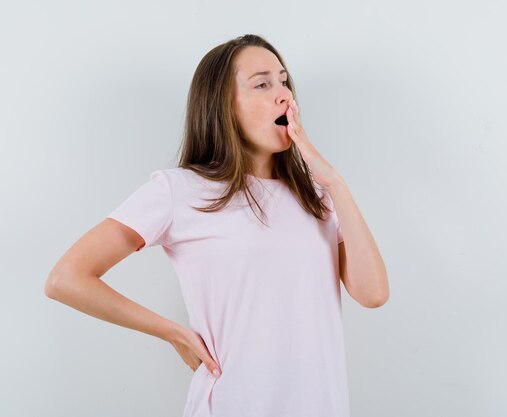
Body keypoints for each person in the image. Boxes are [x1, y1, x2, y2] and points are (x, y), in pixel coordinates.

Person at [44, 33, 389, 417]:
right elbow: (67, 279)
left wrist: (336, 183)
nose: (284, 95)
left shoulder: (318, 196)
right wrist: (171, 332)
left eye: (284, 80)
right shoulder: (180, 191)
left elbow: (373, 293)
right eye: (262, 84)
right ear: (224, 106)